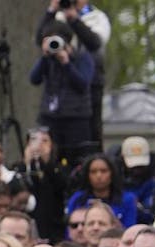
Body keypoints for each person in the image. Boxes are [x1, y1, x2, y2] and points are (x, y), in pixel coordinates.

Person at [35, 0, 110, 147]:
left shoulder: (97, 17)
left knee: (91, 133)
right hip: (58, 81)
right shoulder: (57, 17)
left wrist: (74, 19)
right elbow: (40, 39)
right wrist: (51, 11)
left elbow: (94, 43)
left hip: (89, 80)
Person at [29, 21, 95, 166]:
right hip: (50, 117)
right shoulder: (47, 60)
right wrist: (44, 57)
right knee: (49, 159)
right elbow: (34, 79)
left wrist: (66, 63)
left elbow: (83, 84)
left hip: (76, 119)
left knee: (76, 161)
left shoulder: (82, 57)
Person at [66, 154, 138, 227]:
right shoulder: (77, 199)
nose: (98, 176)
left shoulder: (127, 199)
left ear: (112, 174)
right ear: (87, 175)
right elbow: (69, 230)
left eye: (104, 171)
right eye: (93, 172)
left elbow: (130, 230)